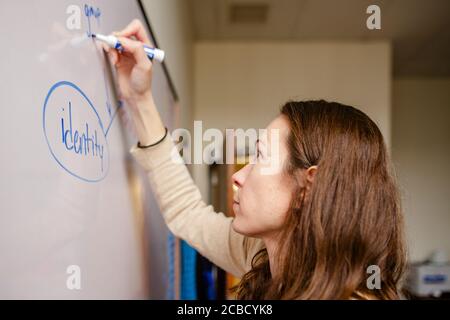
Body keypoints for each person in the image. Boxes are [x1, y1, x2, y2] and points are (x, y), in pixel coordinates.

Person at [105, 19, 406, 300]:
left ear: (308, 187)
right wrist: (140, 98)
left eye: (260, 157)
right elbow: (187, 213)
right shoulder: (266, 256)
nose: (238, 177)